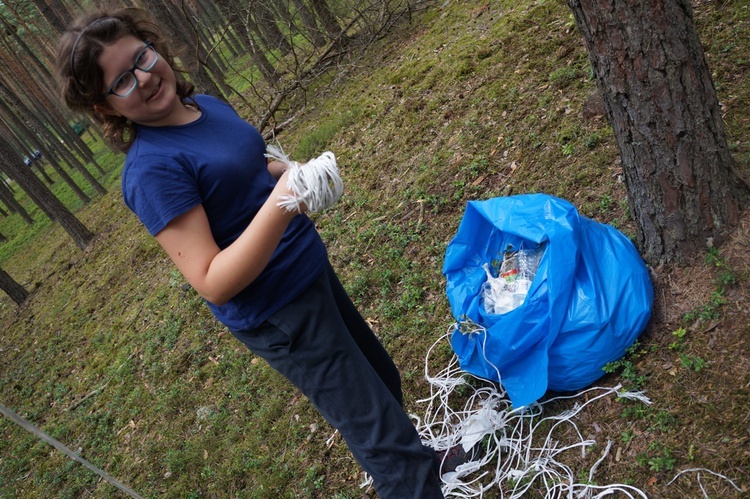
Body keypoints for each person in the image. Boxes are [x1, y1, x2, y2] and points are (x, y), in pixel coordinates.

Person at [55, 7, 468, 497]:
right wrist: (284, 198)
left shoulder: (205, 106)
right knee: (374, 426)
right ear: (106, 108)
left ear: (154, 45)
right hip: (278, 310)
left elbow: (251, 169)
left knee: (380, 379)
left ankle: (417, 460)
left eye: (142, 57)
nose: (144, 78)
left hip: (306, 268)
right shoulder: (151, 171)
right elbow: (211, 277)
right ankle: (411, 480)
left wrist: (295, 175)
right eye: (121, 80)